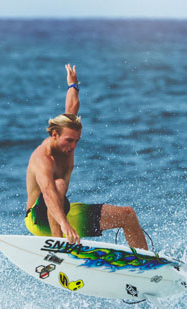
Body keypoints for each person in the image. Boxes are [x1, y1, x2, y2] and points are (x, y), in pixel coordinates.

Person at [24, 64, 149, 250]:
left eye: (77, 141)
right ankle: (59, 247)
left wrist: (73, 85)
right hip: (39, 219)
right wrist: (64, 225)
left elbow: (71, 107)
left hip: (64, 212)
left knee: (127, 215)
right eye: (69, 141)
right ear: (54, 135)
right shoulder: (43, 158)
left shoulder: (65, 133)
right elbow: (49, 194)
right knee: (58, 184)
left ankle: (145, 262)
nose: (73, 146)